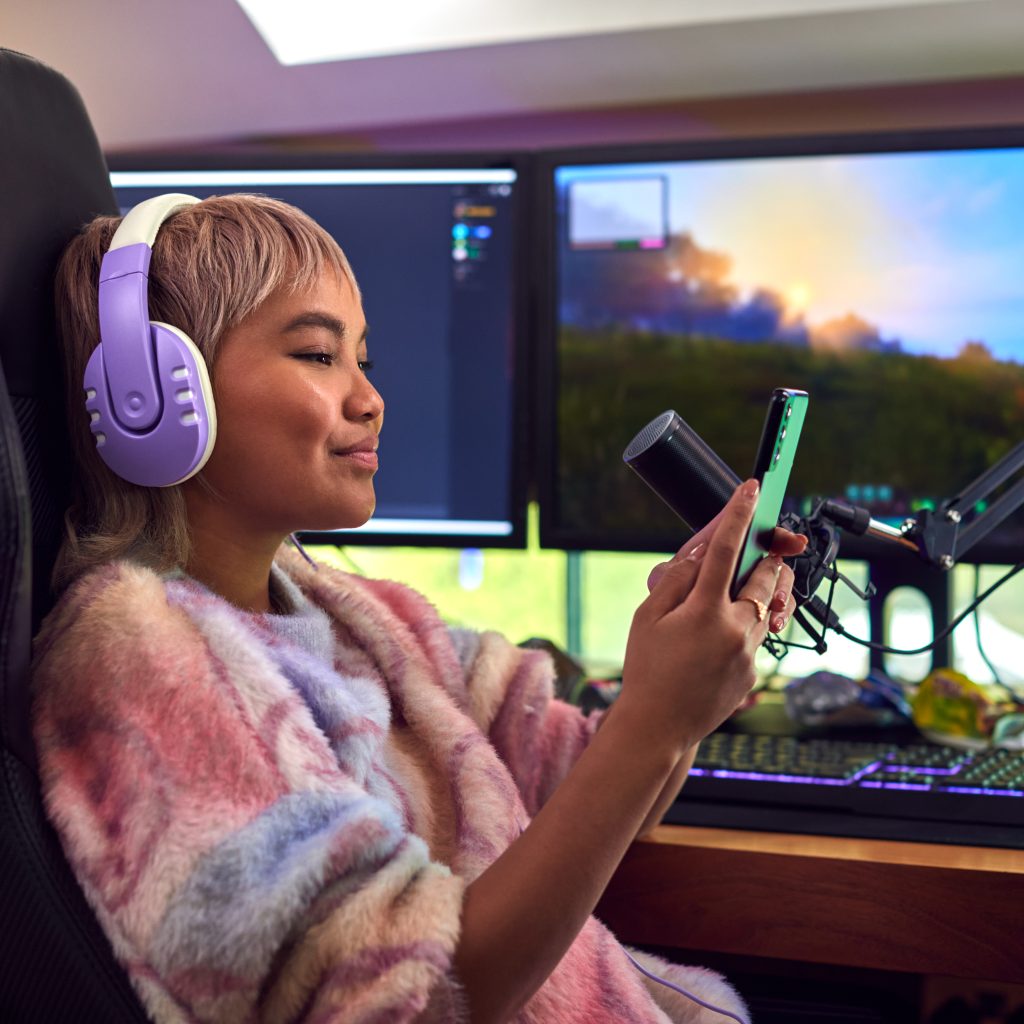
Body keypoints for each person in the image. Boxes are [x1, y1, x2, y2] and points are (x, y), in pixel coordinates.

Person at [32, 193, 803, 1024]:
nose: (370, 399)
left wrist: (681, 671)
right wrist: (657, 718)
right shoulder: (142, 662)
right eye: (320, 355)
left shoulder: (362, 619)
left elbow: (593, 784)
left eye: (363, 358)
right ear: (152, 394)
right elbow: (420, 998)